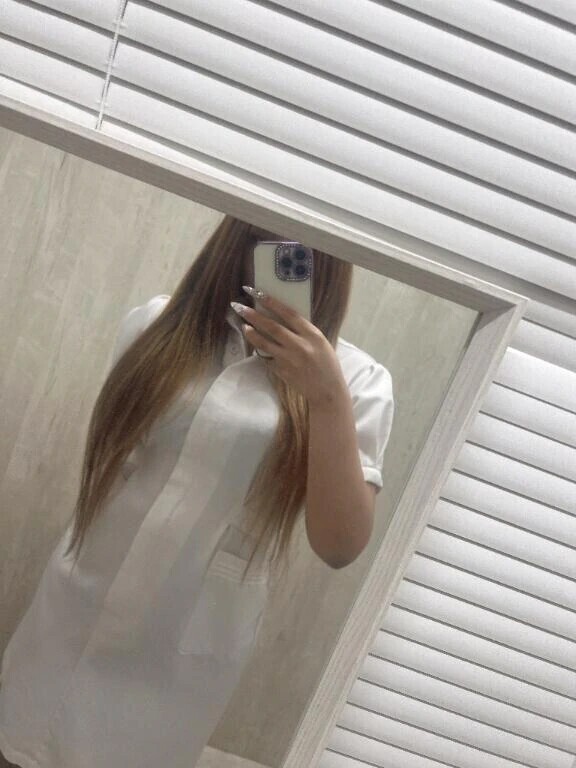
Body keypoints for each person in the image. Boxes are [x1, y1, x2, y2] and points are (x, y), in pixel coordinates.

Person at [0, 216, 394, 768]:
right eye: (268, 235)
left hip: (184, 645)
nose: (284, 254)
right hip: (82, 598)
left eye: (305, 249)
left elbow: (339, 545)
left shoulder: (356, 382)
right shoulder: (158, 325)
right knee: (23, 741)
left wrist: (326, 398)